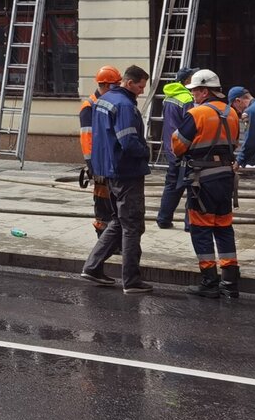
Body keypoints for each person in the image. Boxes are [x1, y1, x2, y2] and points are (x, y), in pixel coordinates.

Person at [80, 64, 153, 293]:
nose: (142, 91)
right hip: (126, 171)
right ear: (129, 83)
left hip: (110, 171)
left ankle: (92, 268)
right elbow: (129, 141)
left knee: (119, 222)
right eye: (140, 87)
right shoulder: (123, 105)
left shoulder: (104, 100)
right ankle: (131, 281)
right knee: (132, 225)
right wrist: (146, 151)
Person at [171, 69, 240, 299]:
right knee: (223, 227)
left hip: (202, 179)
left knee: (201, 230)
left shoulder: (197, 113)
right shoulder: (232, 113)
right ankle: (230, 281)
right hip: (226, 179)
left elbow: (178, 145)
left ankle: (209, 282)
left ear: (203, 90)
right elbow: (235, 142)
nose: (192, 95)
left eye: (194, 91)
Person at [79, 65, 121, 239]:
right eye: (114, 85)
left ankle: (113, 239)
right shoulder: (89, 106)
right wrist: (92, 166)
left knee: (113, 201)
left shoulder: (107, 103)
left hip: (109, 161)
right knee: (103, 202)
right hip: (98, 163)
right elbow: (87, 138)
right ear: (105, 85)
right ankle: (103, 237)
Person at [155, 68, 196, 230]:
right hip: (184, 149)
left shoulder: (169, 96)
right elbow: (191, 126)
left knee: (172, 186)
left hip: (171, 148)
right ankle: (189, 224)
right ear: (187, 80)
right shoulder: (187, 99)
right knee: (192, 186)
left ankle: (163, 219)